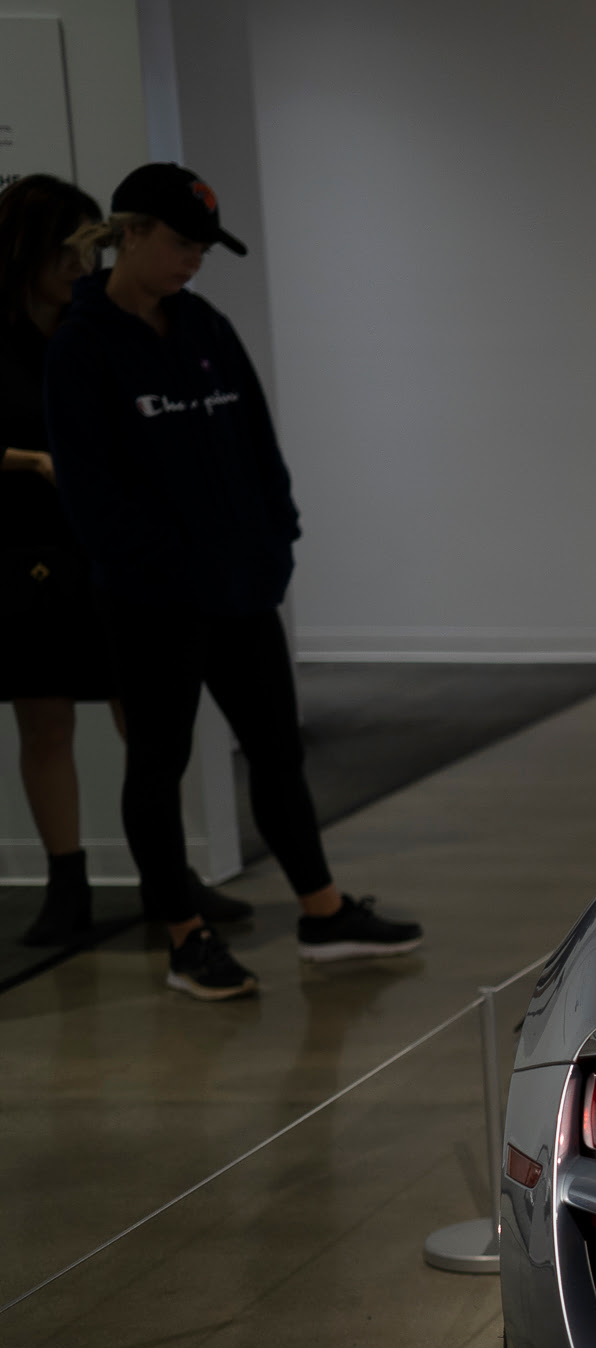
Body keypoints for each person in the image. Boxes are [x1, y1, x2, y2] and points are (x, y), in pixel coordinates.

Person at [47, 163, 421, 1000]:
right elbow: (91, 491)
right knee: (159, 761)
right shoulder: (83, 347)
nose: (193, 261)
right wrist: (169, 568)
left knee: (277, 753)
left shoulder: (205, 326)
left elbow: (258, 442)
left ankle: (323, 914)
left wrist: (275, 539)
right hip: (153, 602)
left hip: (242, 589)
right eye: (181, 243)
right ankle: (186, 938)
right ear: (131, 232)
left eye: (203, 248)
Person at [2, 175, 123, 949]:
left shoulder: (96, 327)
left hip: (108, 543)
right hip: (25, 550)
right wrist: (31, 461)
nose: (84, 266)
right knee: (44, 723)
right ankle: (66, 883)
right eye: (70, 251)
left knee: (145, 714)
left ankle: (171, 872)